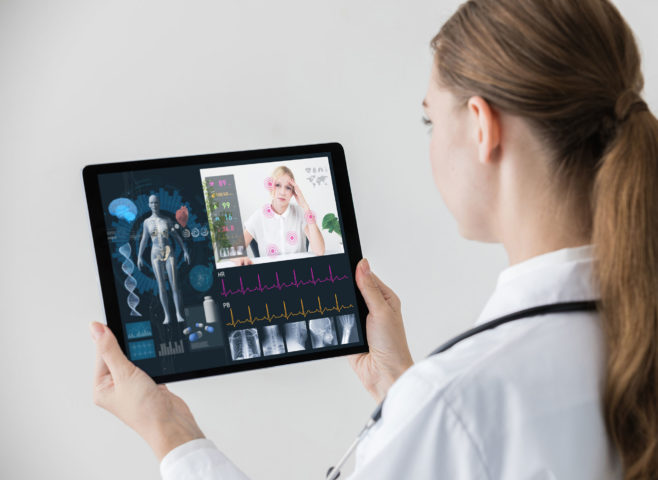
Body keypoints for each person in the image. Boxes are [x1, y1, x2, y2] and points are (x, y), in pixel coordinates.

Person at [89, 0, 658, 478]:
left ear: (483, 127)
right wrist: (402, 388)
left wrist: (169, 430)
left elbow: (469, 427)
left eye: (430, 120)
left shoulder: (458, 401)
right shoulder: (628, 338)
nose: (431, 141)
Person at [230, 165, 325, 266]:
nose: (283, 192)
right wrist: (240, 258)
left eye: (288, 188)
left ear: (293, 192)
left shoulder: (300, 213)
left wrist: (305, 206)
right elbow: (234, 252)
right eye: (278, 185)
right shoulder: (259, 216)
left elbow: (320, 251)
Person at [137, 194, 191, 325]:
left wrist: (185, 250)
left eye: (156, 202)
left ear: (159, 204)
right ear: (149, 205)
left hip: (168, 251)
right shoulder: (146, 222)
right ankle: (167, 315)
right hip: (155, 253)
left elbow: (176, 236)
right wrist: (139, 256)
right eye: (152, 203)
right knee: (161, 286)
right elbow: (144, 239)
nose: (154, 205)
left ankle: (178, 313)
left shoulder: (167, 220)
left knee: (174, 285)